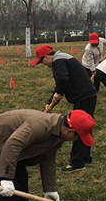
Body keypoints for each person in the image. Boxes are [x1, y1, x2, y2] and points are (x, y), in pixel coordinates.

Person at [31, 44, 97, 172]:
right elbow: (60, 85)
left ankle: (77, 162)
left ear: (46, 57)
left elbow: (62, 80)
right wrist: (51, 102)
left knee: (78, 128)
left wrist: (59, 93)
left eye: (43, 62)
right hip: (87, 95)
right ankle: (85, 156)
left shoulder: (58, 61)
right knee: (84, 126)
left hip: (84, 97)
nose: (45, 65)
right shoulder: (62, 59)